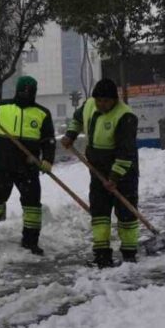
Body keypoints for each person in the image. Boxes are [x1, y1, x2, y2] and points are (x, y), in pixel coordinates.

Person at [60, 78, 139, 268]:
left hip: (123, 171)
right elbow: (77, 119)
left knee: (126, 213)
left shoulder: (125, 116)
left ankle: (129, 255)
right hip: (97, 169)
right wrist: (70, 135)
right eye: (99, 100)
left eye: (106, 101)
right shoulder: (89, 105)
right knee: (99, 213)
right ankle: (102, 255)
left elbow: (125, 152)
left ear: (114, 100)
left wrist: (114, 178)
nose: (101, 104)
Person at [0, 76, 55, 255]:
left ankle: (30, 241)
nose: (26, 95)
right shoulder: (0, 106)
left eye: (30, 92)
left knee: (32, 205)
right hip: (2, 165)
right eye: (23, 91)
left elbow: (48, 140)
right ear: (17, 91)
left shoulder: (42, 113)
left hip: (28, 167)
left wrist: (48, 160)